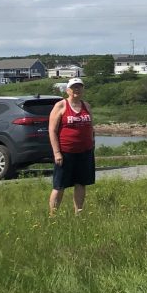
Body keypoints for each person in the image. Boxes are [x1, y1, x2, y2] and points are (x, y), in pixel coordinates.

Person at [48, 78, 95, 215]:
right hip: (66, 152)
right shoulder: (61, 106)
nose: (77, 90)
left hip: (85, 152)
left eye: (79, 87)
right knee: (59, 185)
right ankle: (53, 215)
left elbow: (91, 126)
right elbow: (52, 130)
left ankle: (78, 213)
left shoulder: (86, 105)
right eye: (74, 87)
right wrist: (57, 152)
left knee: (81, 183)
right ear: (68, 90)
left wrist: (92, 142)